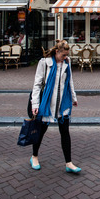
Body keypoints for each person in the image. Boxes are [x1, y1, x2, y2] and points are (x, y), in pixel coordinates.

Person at [30, 40, 81, 173]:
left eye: (66, 55)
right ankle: (34, 156)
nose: (65, 57)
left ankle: (69, 163)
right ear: (57, 52)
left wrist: (73, 98)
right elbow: (37, 84)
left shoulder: (67, 63)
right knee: (41, 132)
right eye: (63, 55)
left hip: (63, 104)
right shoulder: (44, 63)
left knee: (65, 132)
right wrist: (35, 104)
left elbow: (70, 81)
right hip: (47, 104)